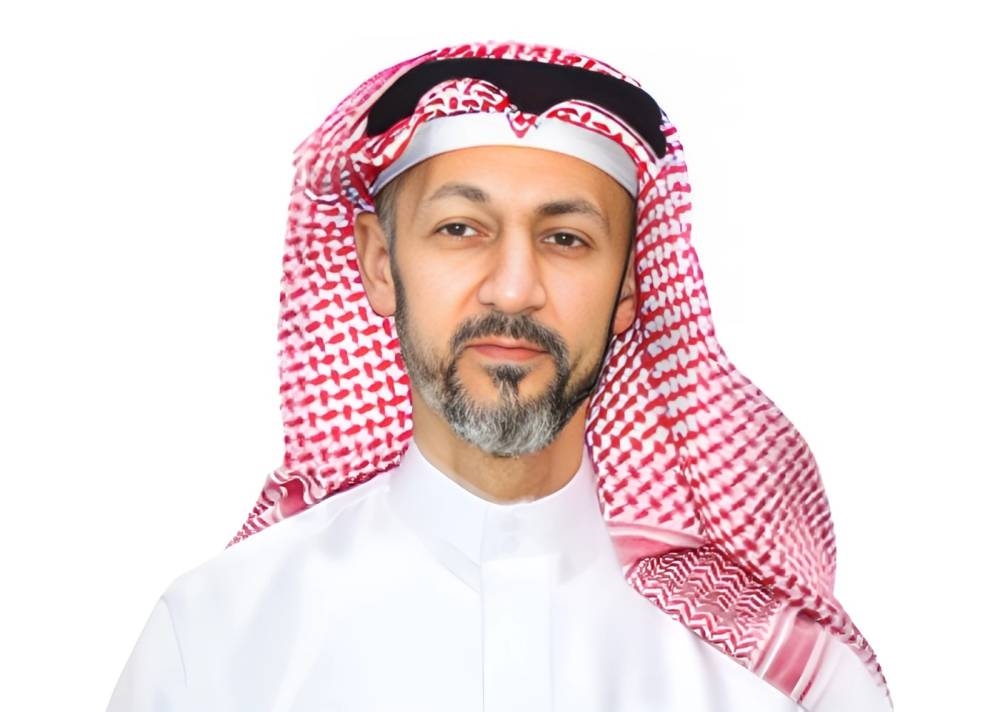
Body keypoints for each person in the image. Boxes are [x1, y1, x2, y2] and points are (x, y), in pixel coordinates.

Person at [107, 41, 891, 711]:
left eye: (566, 238)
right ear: (378, 263)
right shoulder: (215, 642)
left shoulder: (777, 679)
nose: (514, 290)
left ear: (629, 287)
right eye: (461, 229)